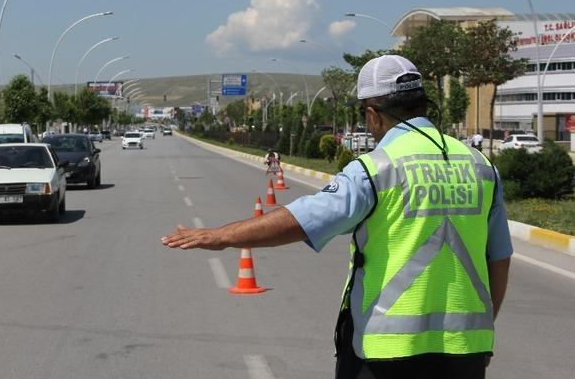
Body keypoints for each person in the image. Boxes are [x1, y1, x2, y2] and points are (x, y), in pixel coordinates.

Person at [162, 55, 512, 379]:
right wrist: (482, 330)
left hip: (387, 353)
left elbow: (303, 218)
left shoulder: (376, 168)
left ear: (373, 114)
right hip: (468, 350)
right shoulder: (481, 167)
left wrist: (220, 237)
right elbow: (499, 258)